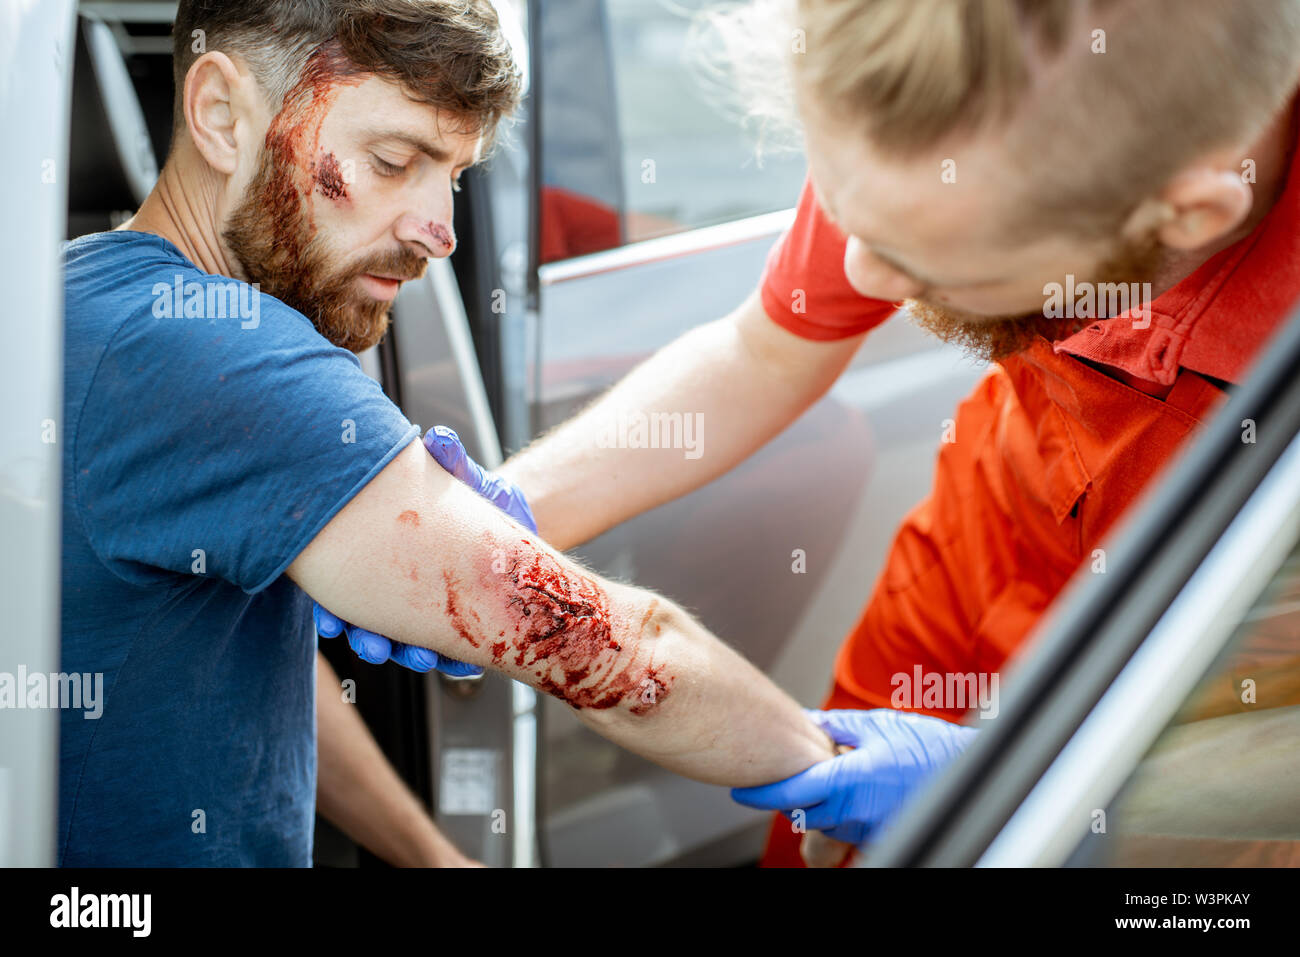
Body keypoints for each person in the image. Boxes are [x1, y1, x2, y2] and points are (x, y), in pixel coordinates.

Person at [453, 0, 1300, 865]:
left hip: (1238, 661)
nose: (860, 271)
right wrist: (499, 516)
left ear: (1186, 214)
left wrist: (1029, 778)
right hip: (993, 523)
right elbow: (764, 350)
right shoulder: (942, 105)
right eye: (847, 210)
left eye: (919, 258)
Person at [57, 0, 838, 866]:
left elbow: (228, 666)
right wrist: (833, 767)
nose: (442, 232)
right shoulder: (217, 354)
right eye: (395, 160)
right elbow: (619, 655)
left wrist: (430, 856)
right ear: (219, 115)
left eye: (455, 176)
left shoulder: (84, 296)